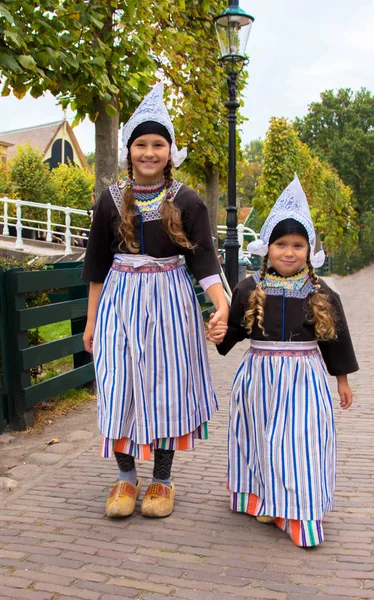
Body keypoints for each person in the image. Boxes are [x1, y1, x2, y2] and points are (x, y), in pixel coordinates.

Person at [82, 82, 228, 520]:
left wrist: (221, 305)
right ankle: (126, 476)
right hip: (120, 302)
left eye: (158, 144)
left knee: (166, 387)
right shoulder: (109, 202)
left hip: (169, 302)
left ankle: (162, 481)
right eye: (141, 144)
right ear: (129, 150)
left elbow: (204, 262)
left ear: (170, 150)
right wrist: (91, 324)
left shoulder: (188, 201)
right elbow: (95, 268)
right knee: (119, 384)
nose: (149, 152)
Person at [209, 174, 359, 547]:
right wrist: (218, 333)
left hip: (304, 380)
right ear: (267, 247)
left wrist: (341, 379)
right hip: (259, 378)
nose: (288, 252)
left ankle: (299, 512)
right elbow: (233, 336)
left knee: (298, 442)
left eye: (297, 245)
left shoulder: (321, 292)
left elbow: (335, 339)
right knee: (261, 438)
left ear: (309, 249)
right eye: (280, 244)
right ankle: (264, 498)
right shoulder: (249, 288)